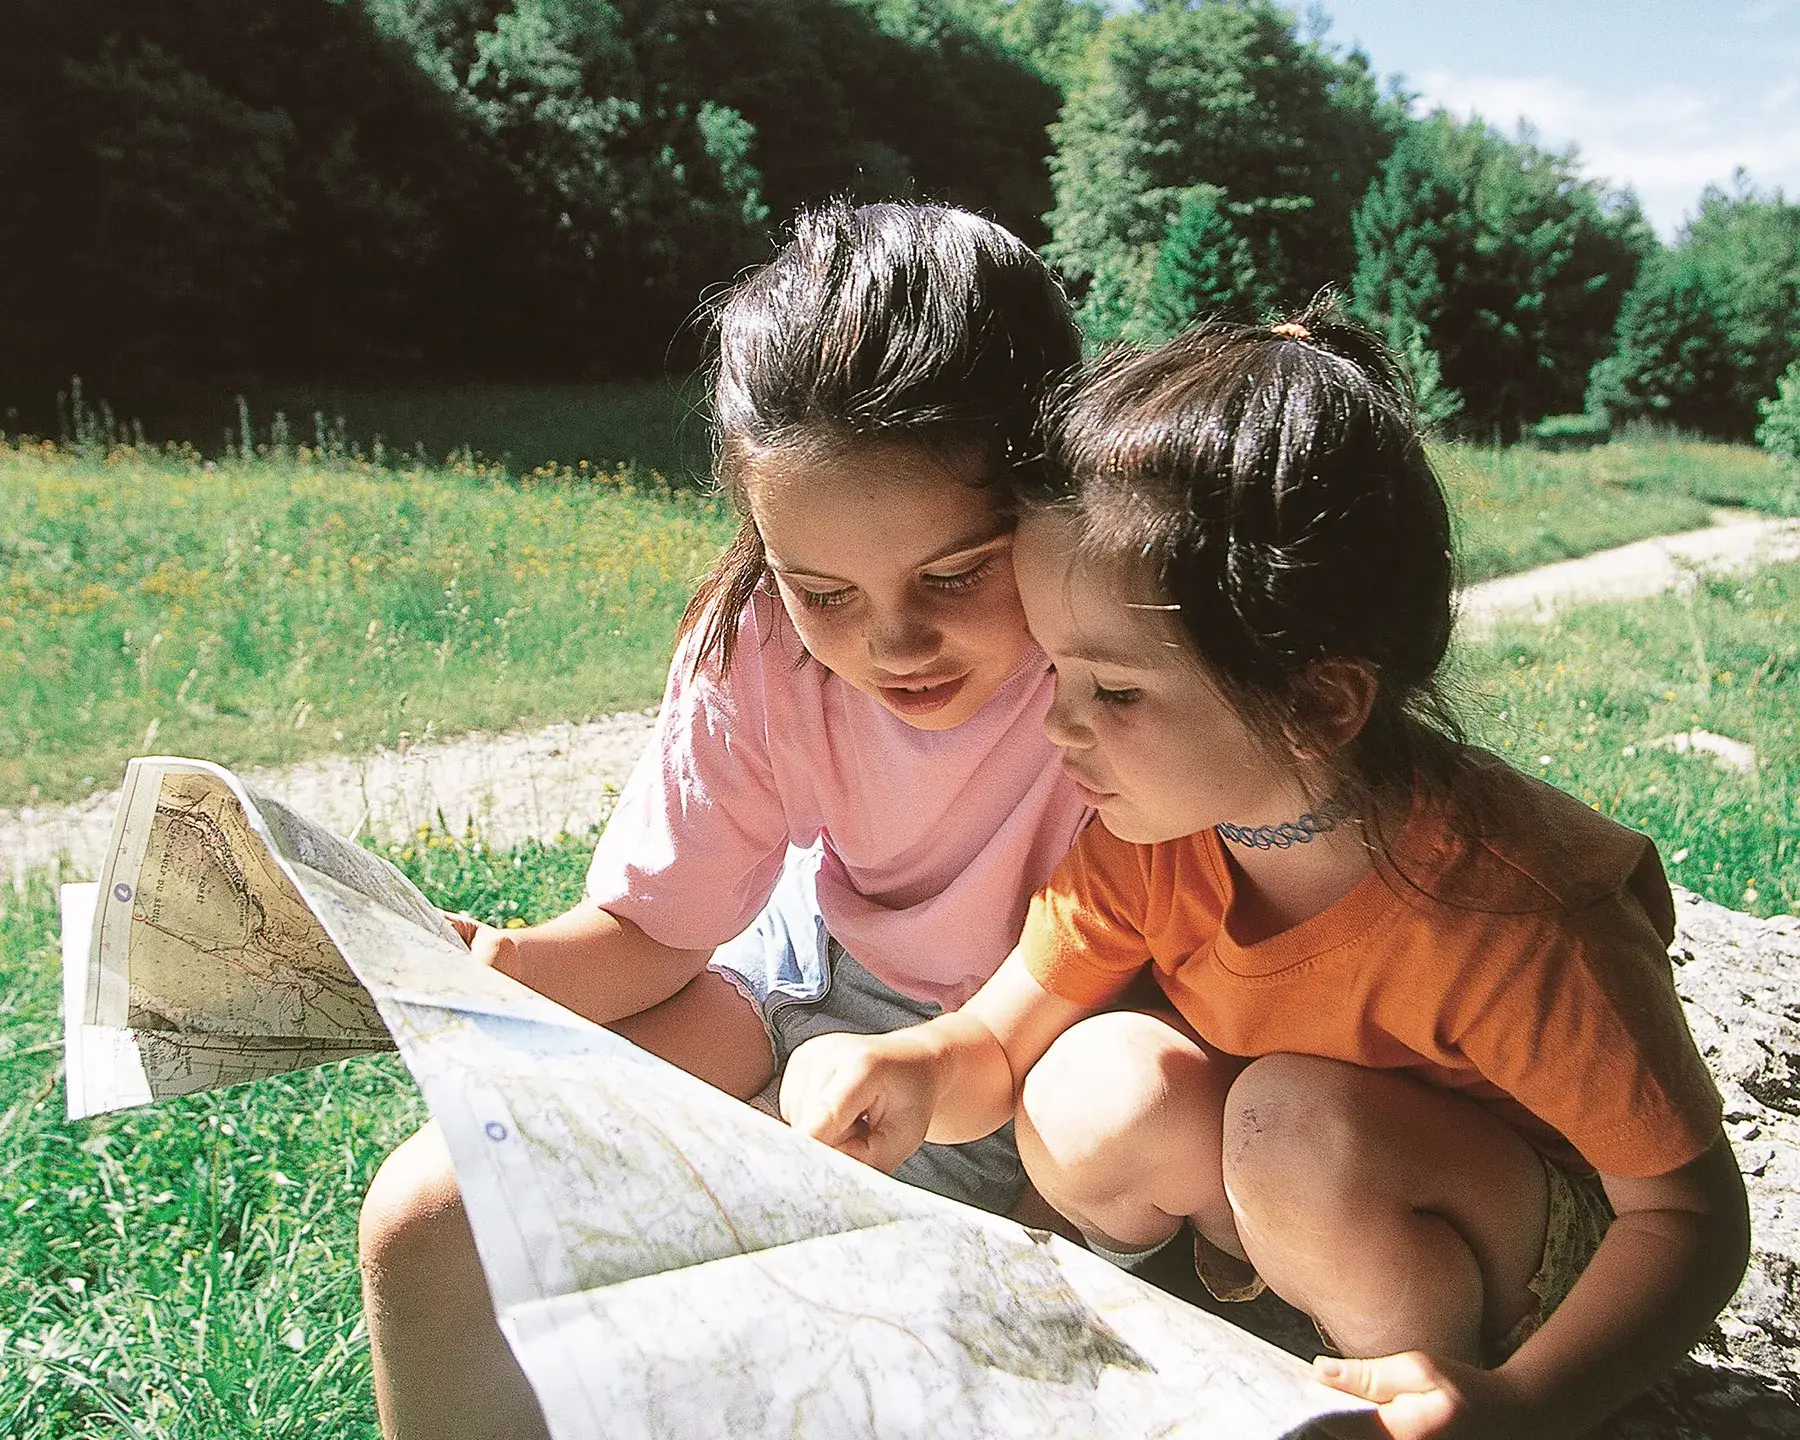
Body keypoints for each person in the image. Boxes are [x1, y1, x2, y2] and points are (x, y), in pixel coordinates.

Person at [781, 306, 1750, 1440]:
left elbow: (1687, 1217)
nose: (1059, 728)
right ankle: (1202, 1316)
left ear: (1317, 703)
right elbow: (996, 1044)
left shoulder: (1518, 914)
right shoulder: (1153, 837)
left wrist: (1526, 1405)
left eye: (1118, 693)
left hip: (1527, 1259)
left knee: (1292, 1122)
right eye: (1057, 673)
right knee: (1096, 1083)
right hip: (1284, 1183)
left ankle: (1416, 1383)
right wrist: (900, 1065)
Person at [354, 201, 1093, 1440]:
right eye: (823, 590)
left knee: (809, 1296)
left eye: (954, 575)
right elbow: (655, 930)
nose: (892, 643)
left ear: (1062, 492)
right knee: (429, 1209)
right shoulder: (757, 644)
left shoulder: (1127, 659)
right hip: (802, 985)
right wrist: (486, 972)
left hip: (1028, 1059)